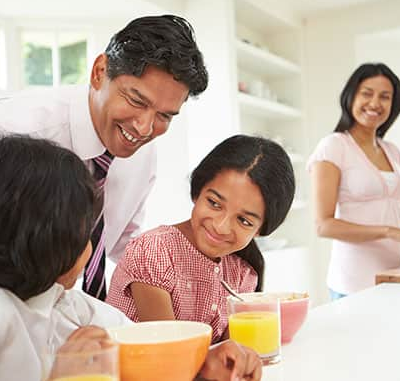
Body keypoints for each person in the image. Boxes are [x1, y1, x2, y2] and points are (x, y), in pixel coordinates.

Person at [0, 15, 261, 380]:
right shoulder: (15, 130)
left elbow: (125, 253)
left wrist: (194, 354)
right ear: (99, 72)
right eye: (137, 101)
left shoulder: (140, 156)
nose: (145, 127)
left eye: (165, 116)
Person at [0, 134, 261, 381]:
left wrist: (204, 363)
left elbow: (145, 341)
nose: (91, 248)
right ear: (39, 243)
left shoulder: (64, 301)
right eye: (83, 235)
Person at [106, 135, 296, 343]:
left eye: (243, 220)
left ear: (261, 230)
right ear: (197, 192)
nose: (221, 226)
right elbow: (170, 354)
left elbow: (230, 353)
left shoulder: (242, 273)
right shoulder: (153, 252)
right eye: (214, 203)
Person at [307, 63, 400, 300]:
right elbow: (323, 225)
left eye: (385, 97)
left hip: (398, 276)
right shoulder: (334, 146)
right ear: (351, 97)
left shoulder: (392, 151)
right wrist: (390, 232)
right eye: (367, 93)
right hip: (354, 283)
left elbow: (388, 215)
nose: (375, 103)